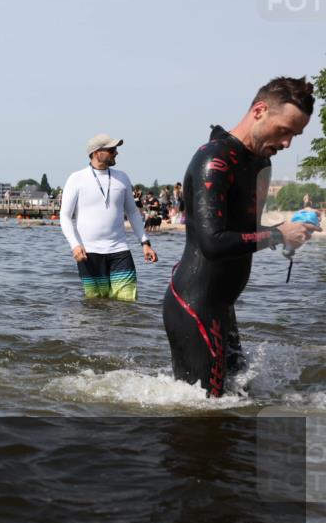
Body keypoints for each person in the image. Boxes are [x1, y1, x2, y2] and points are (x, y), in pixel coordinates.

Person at [162, 76, 320, 398]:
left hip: (223, 306)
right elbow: (213, 242)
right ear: (260, 111)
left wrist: (287, 237)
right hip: (195, 304)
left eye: (296, 135)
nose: (288, 143)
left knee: (236, 400)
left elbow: (248, 232)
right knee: (203, 417)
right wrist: (278, 234)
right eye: (285, 130)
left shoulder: (261, 162)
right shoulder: (213, 159)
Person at [60, 134, 158, 301]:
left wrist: (145, 243)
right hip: (89, 253)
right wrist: (75, 245)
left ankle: (123, 329)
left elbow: (133, 212)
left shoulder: (122, 178)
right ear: (97, 152)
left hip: (119, 251)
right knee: (95, 305)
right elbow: (65, 216)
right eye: (112, 150)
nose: (116, 153)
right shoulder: (76, 179)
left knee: (128, 303)